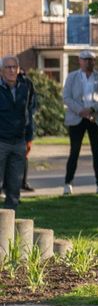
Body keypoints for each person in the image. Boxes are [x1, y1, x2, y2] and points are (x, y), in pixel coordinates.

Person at [62, 49, 98, 195]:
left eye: (91, 60)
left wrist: (91, 109)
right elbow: (66, 97)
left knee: (97, 151)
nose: (88, 62)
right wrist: (80, 110)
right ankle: (68, 183)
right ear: (80, 61)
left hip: (94, 118)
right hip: (76, 118)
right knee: (74, 151)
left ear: (94, 61)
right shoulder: (72, 77)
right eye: (86, 59)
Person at [0, 57, 35, 209]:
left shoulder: (26, 86)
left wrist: (29, 137)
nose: (12, 70)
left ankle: (9, 226)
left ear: (19, 68)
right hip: (1, 142)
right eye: (8, 67)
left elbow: (30, 110)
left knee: (14, 188)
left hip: (19, 142)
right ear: (1, 70)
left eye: (14, 67)